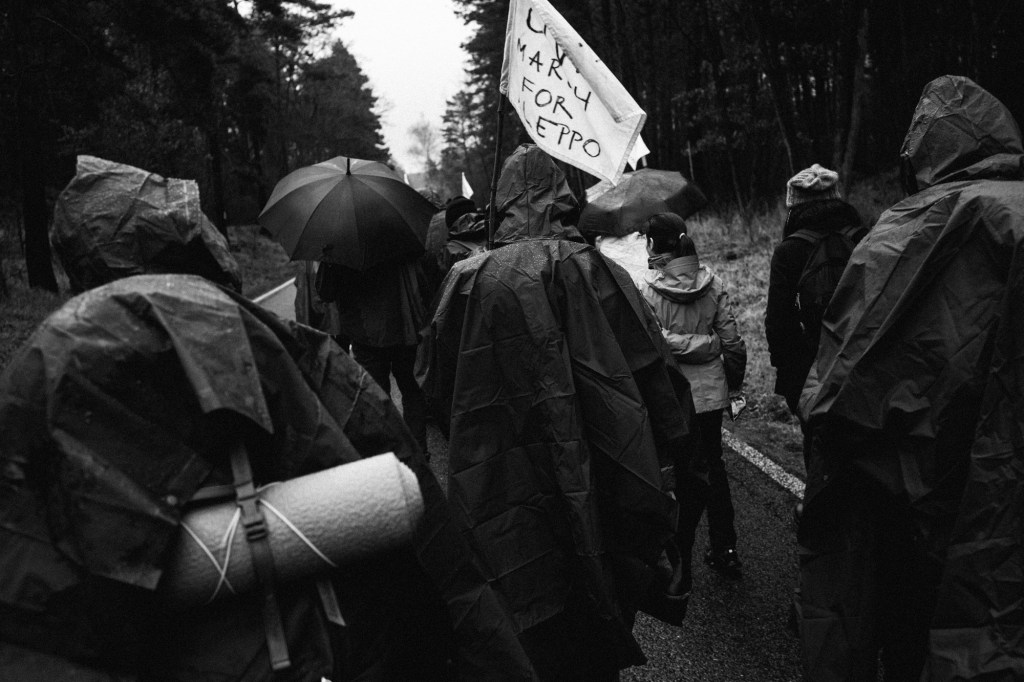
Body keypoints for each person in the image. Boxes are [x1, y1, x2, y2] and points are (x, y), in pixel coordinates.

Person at [425, 144, 696, 681]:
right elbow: (659, 386)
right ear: (565, 196)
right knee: (593, 631)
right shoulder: (598, 272)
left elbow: (434, 389)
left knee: (527, 631)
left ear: (503, 201)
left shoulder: (465, 281)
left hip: (498, 491)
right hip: (601, 484)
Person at [797, 75, 1024, 680]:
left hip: (914, 503)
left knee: (913, 634)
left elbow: (838, 389)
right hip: (995, 500)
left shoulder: (903, 232)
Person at [639, 213, 747, 581]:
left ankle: (678, 554)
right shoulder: (712, 282)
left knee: (678, 474)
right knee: (714, 468)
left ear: (653, 244)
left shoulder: (648, 289)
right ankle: (725, 547)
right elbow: (731, 342)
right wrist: (730, 378)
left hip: (673, 397)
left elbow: (652, 345)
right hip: (711, 395)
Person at [765, 163, 865, 468]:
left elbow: (778, 320)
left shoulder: (789, 250)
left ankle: (816, 509)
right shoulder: (864, 237)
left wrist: (789, 374)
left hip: (810, 368)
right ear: (836, 196)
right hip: (862, 358)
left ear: (793, 203)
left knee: (819, 448)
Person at [315, 255, 431, 456]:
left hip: (364, 332)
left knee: (377, 399)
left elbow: (325, 293)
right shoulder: (399, 236)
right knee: (411, 389)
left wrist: (329, 261)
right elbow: (425, 280)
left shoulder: (340, 246)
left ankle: (394, 452)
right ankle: (419, 451)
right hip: (404, 327)